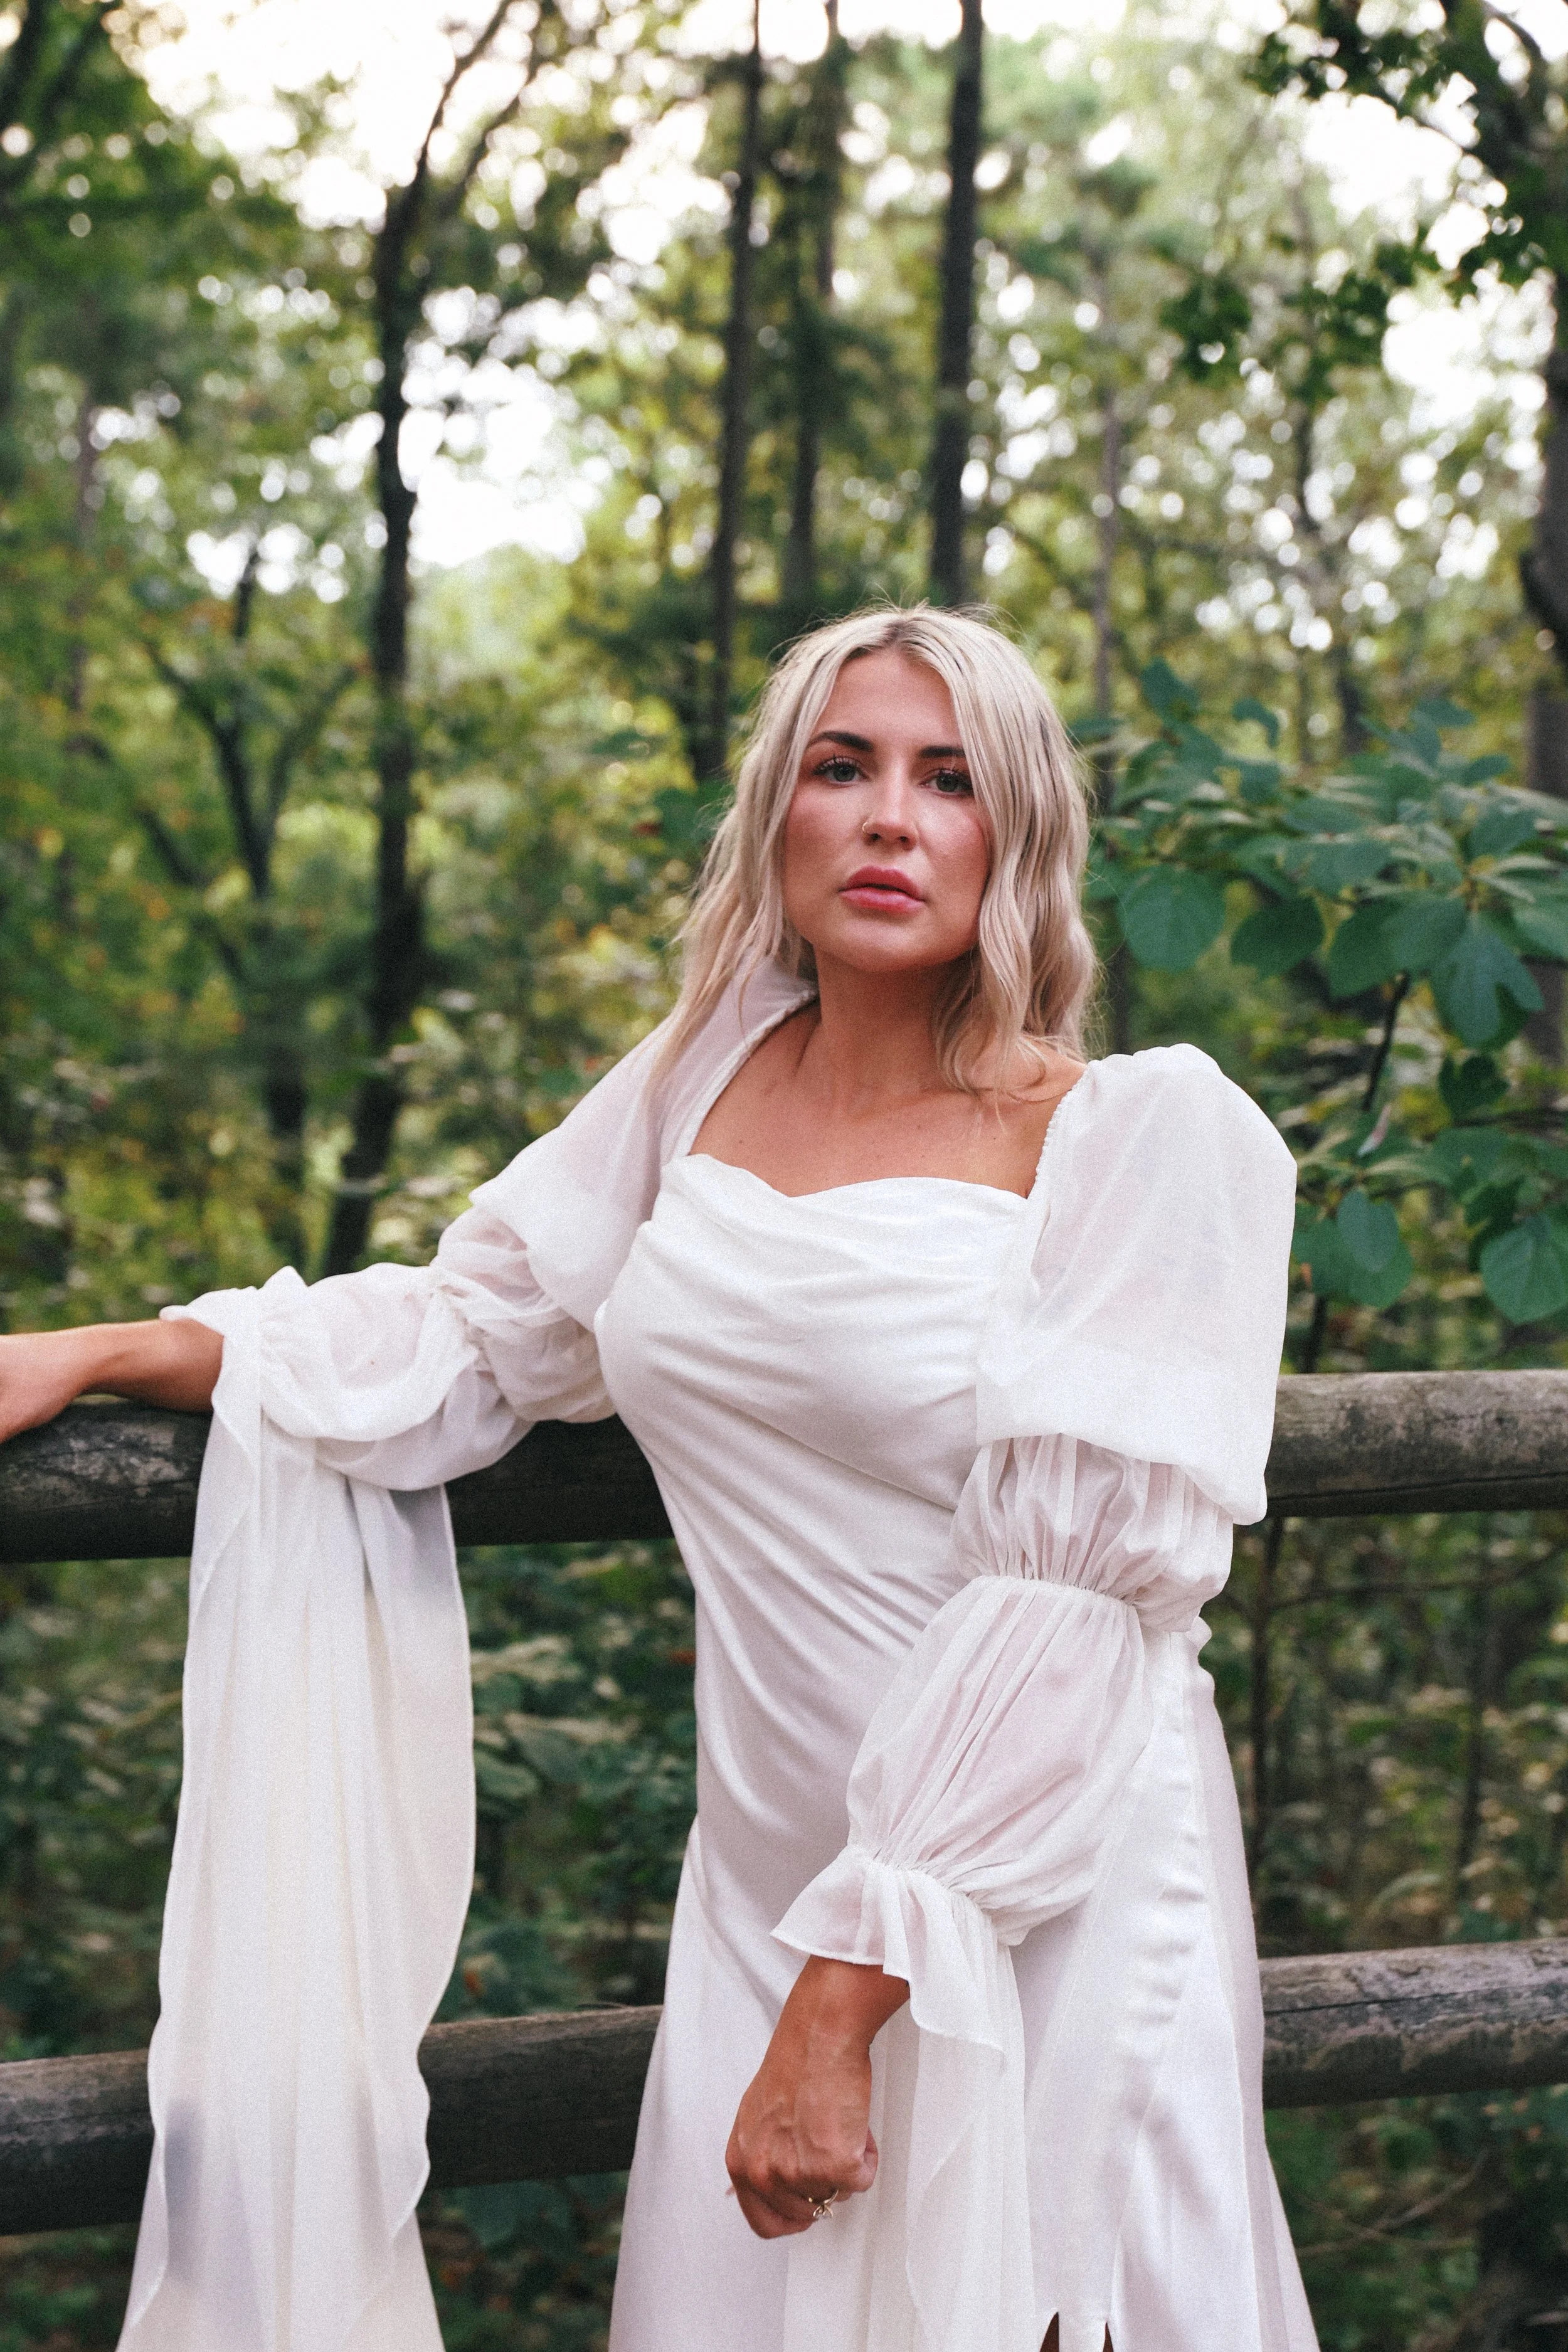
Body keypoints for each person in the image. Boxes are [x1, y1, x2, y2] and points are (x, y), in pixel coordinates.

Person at [0, 605, 1313, 2352]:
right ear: (777, 812)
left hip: (1031, 1879)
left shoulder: (1138, 1136)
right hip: (772, 1868)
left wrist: (843, 2010)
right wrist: (102, 1351)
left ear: (1017, 839)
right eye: (840, 767)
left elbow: (1071, 1612)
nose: (886, 817)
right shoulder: (704, 1076)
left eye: (947, 780)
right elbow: (485, 1331)